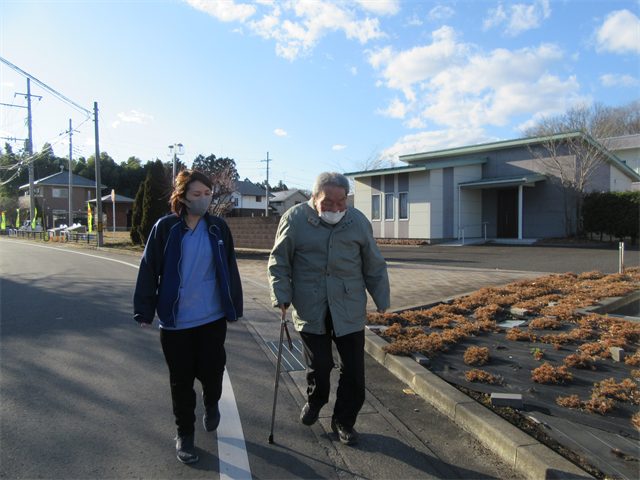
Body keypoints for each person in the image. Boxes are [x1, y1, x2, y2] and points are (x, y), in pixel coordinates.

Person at [268, 171, 390, 446]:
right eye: (328, 203)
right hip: (311, 305)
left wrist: (382, 298)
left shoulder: (357, 221)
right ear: (313, 198)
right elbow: (279, 262)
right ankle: (316, 399)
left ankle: (343, 421)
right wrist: (282, 296)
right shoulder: (295, 219)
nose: (335, 209)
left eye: (341, 202)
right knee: (320, 368)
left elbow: (373, 262)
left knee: (355, 374)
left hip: (349, 306)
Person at [133, 169, 243, 464]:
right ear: (181, 197)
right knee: (181, 382)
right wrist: (144, 309)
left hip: (212, 317)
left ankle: (212, 403)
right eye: (197, 195)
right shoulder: (165, 228)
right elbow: (149, 268)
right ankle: (185, 435)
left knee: (213, 370)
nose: (204, 200)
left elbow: (230, 268)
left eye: (207, 194)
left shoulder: (218, 227)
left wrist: (234, 307)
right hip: (176, 320)